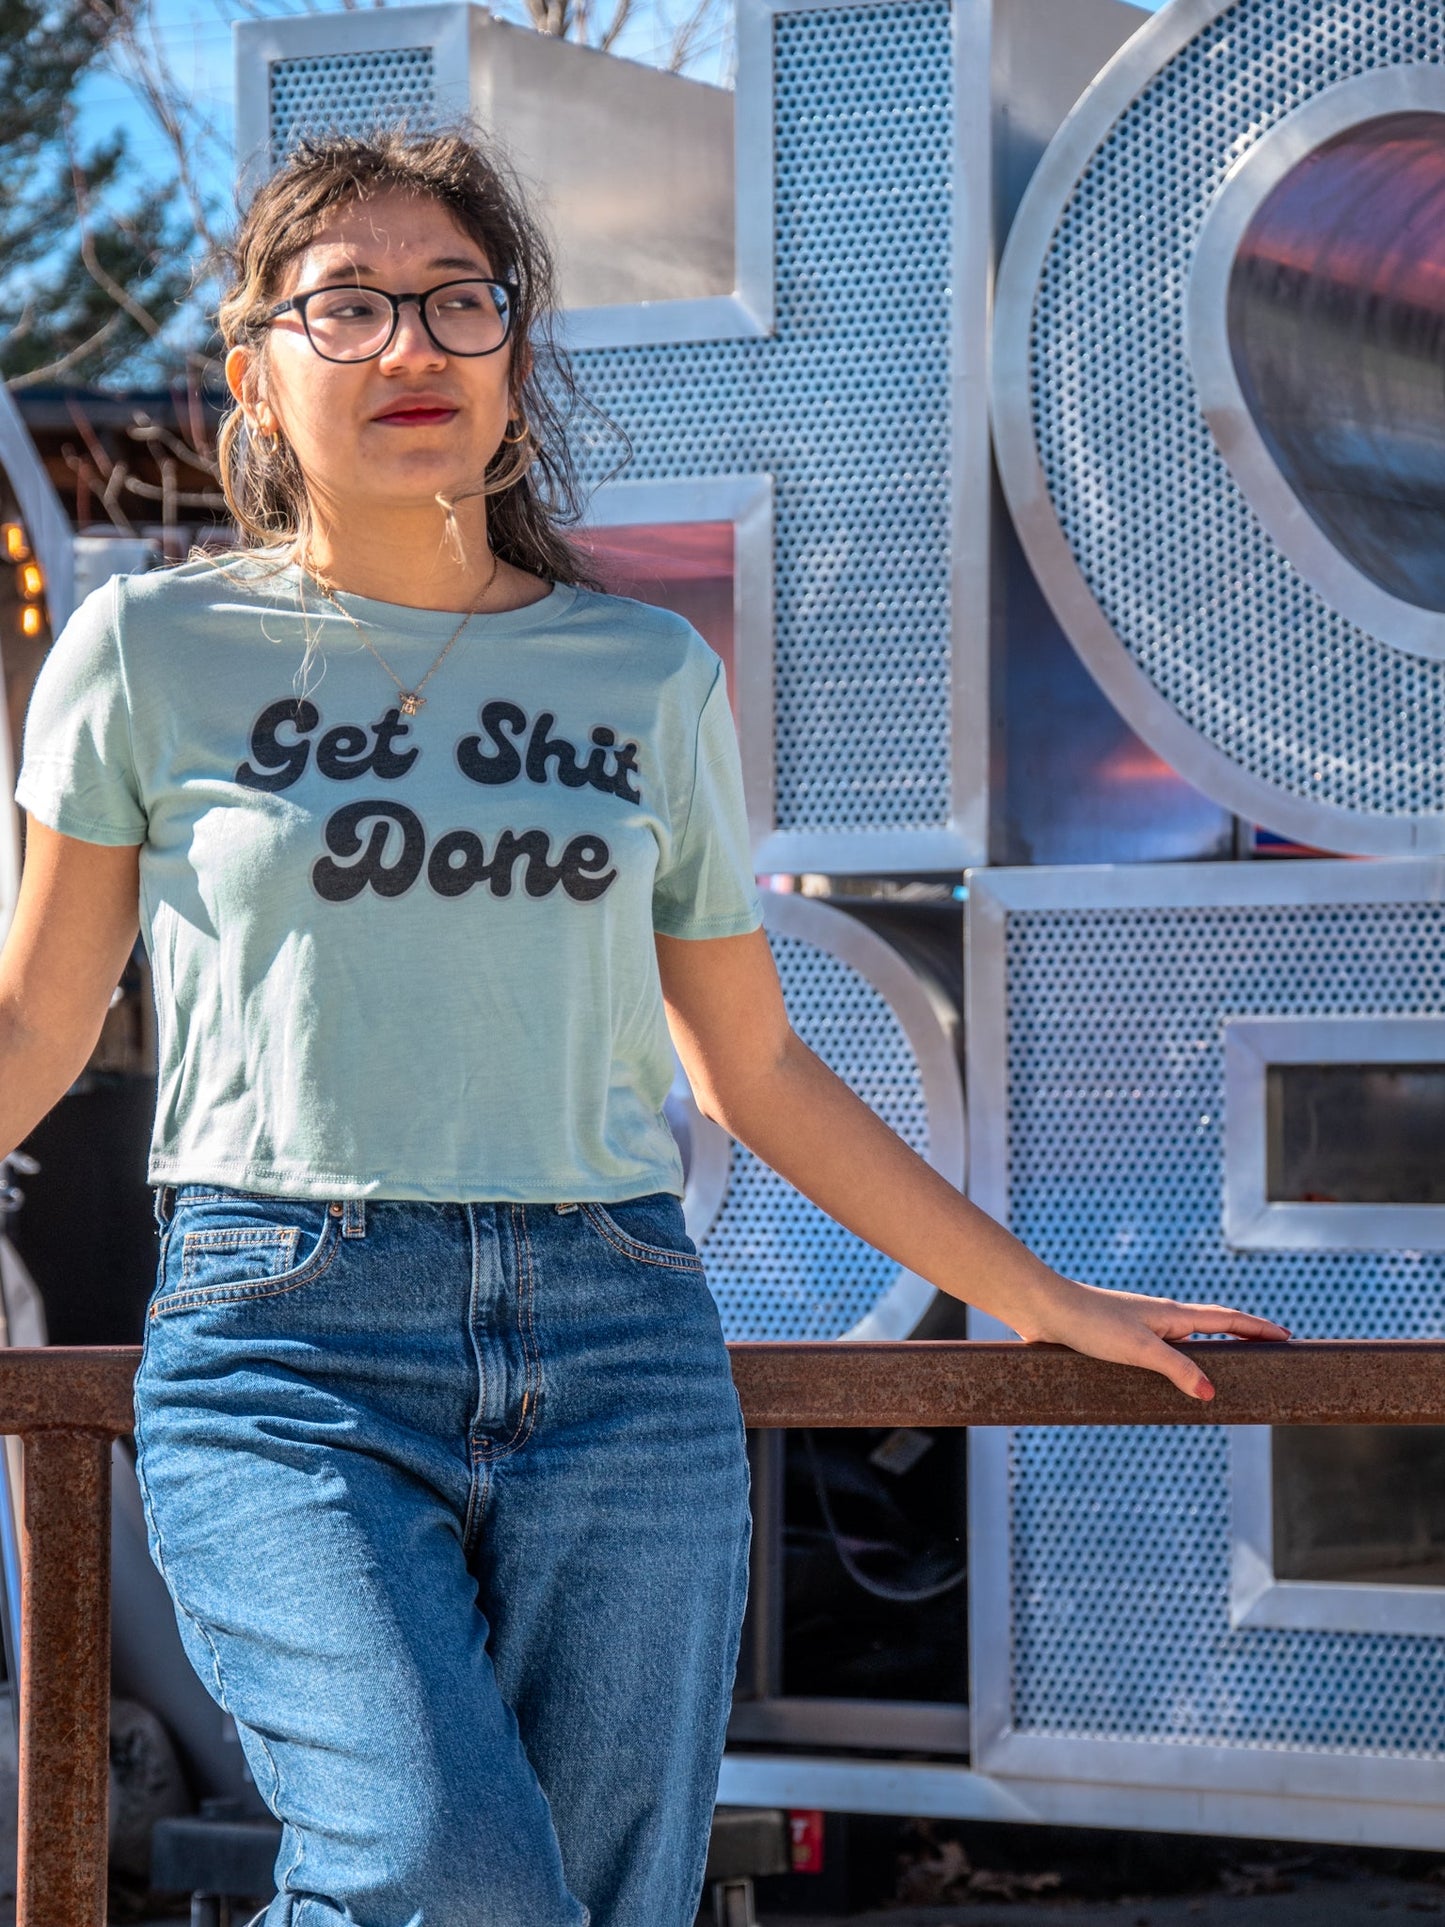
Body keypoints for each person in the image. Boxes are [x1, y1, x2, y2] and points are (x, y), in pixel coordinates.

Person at [0, 127, 1289, 1927]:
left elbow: (746, 1063)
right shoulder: (149, 649)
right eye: (347, 305)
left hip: (618, 1336)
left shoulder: (644, 675)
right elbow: (42, 1017)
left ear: (517, 361)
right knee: (433, 1868)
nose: (411, 346)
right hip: (285, 1344)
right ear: (256, 375)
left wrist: (1034, 1296)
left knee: (604, 1899)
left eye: (460, 300)